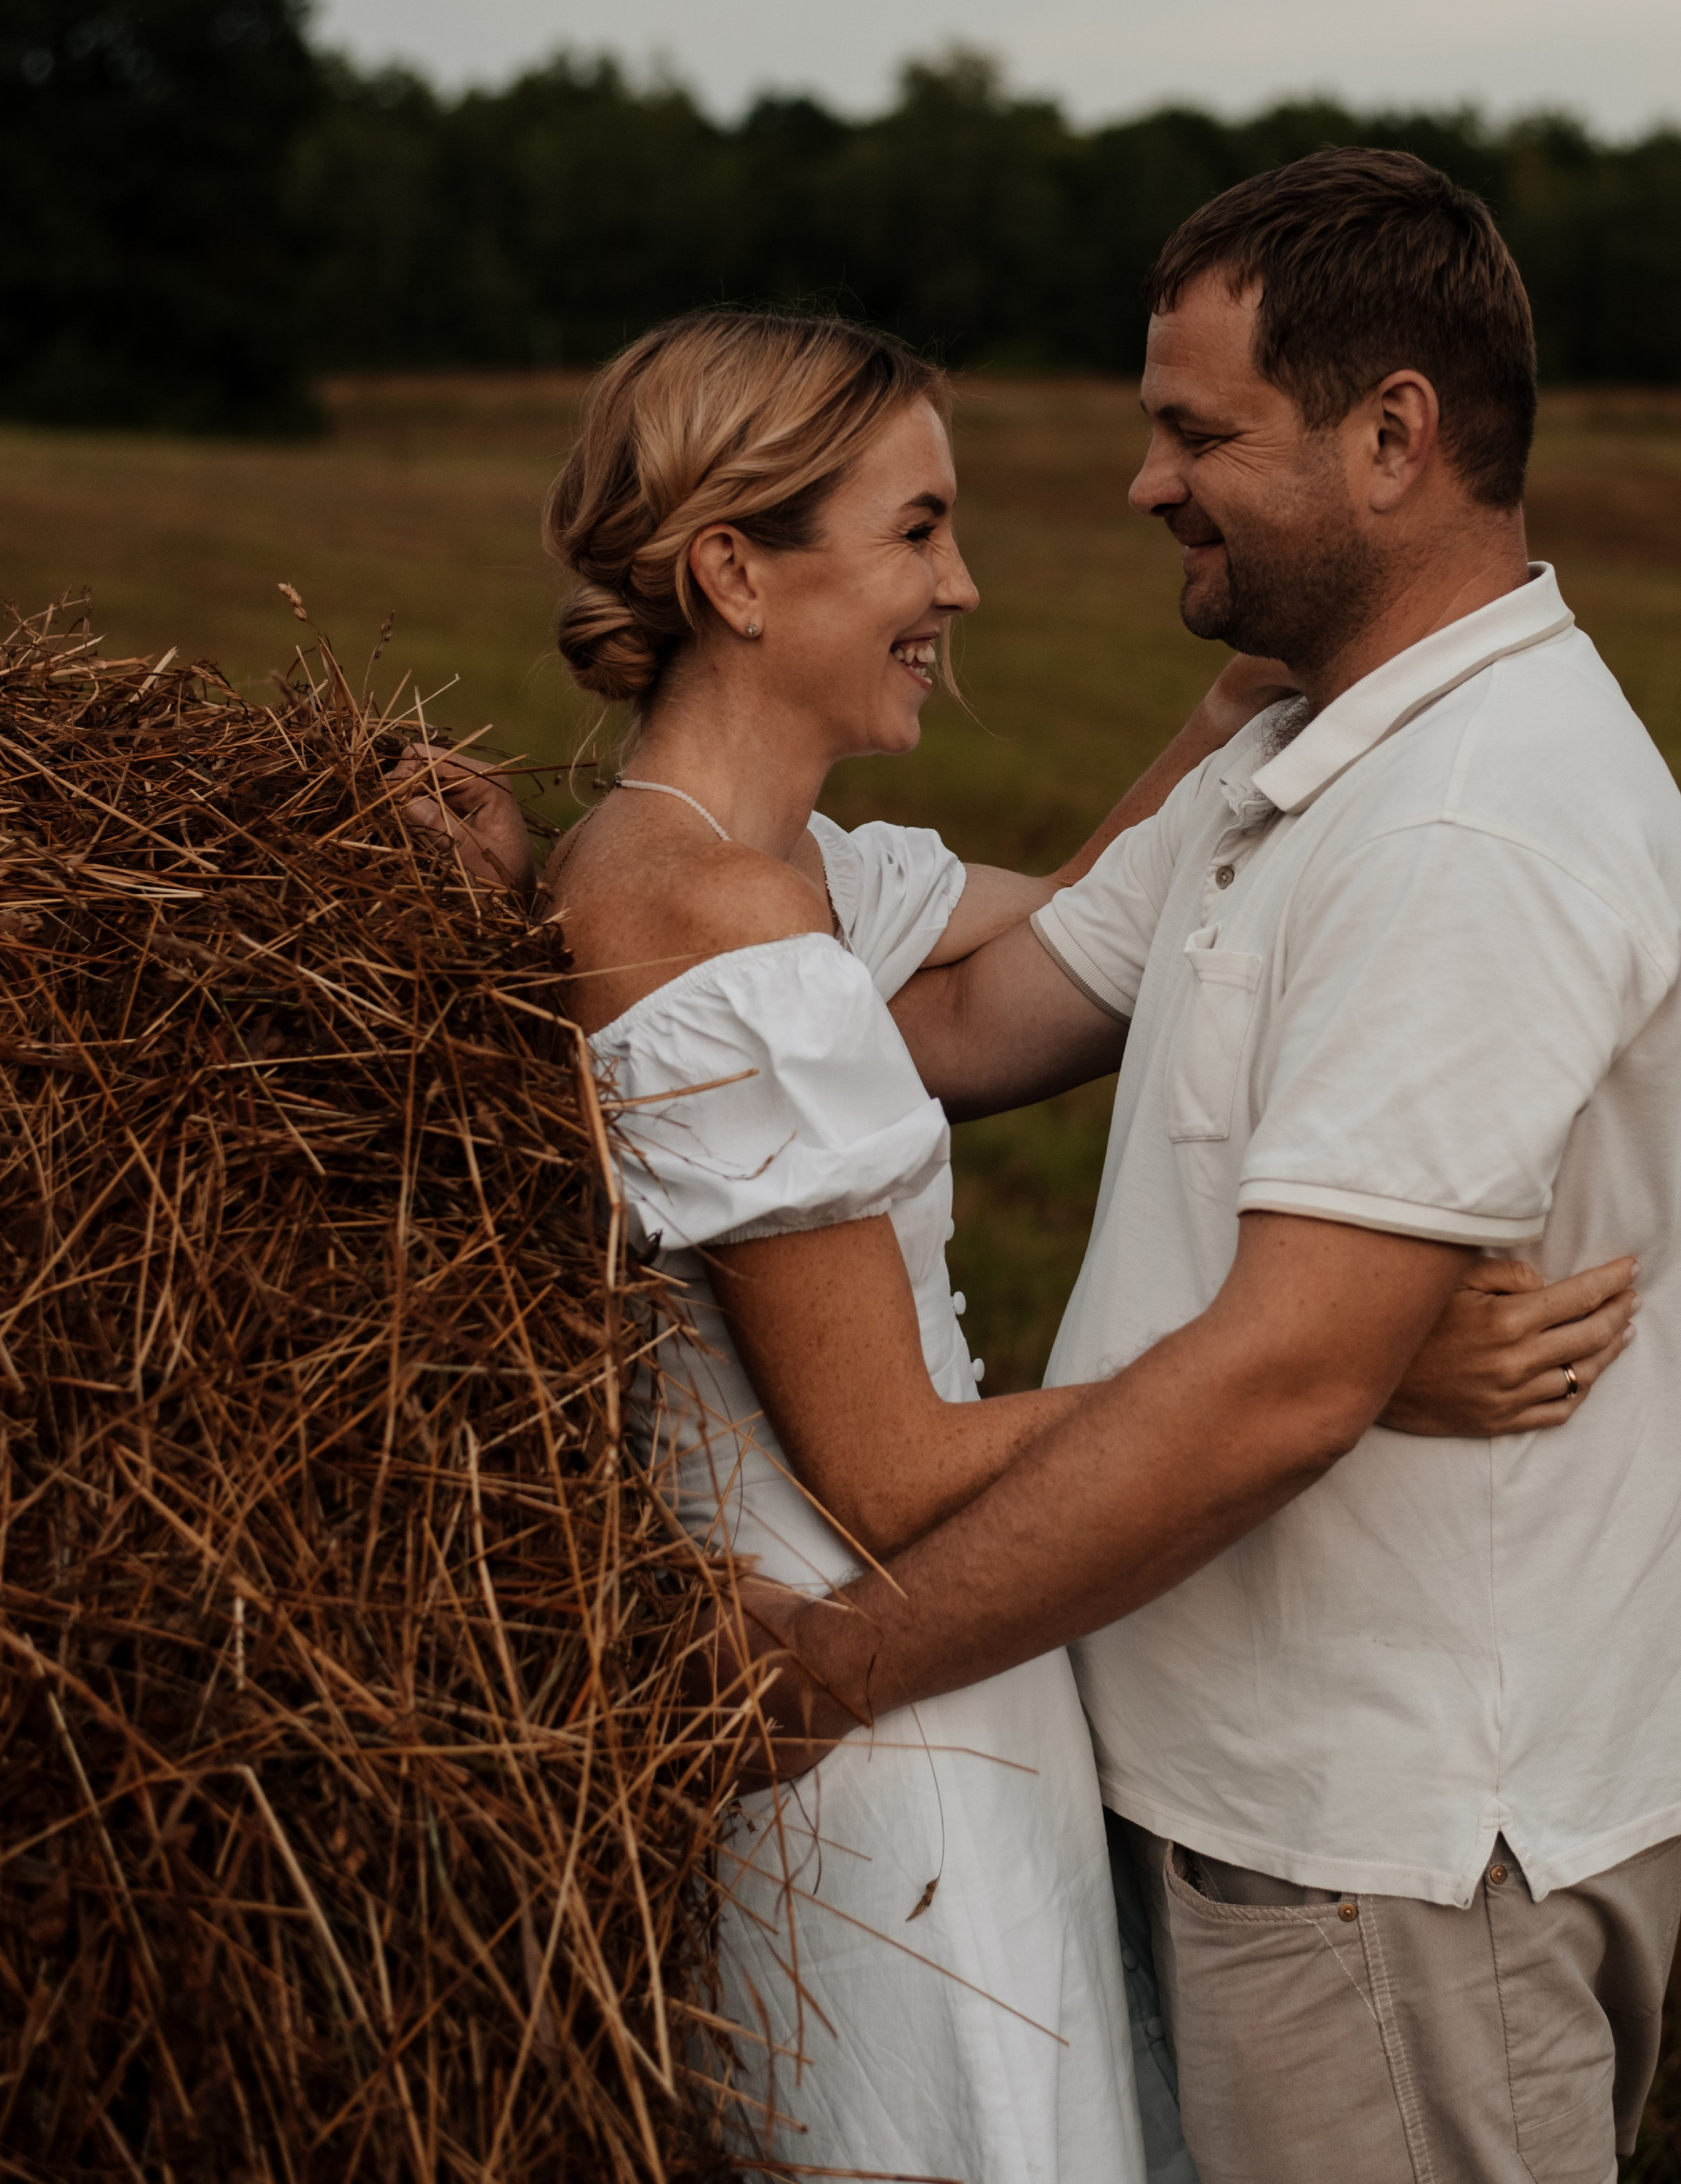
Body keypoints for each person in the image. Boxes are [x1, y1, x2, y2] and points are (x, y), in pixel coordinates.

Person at [409, 301, 1638, 2183]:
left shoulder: (782, 883)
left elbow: (1096, 927)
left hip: (937, 1684)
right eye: (916, 531)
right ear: (735, 569)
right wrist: (1350, 1362)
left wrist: (1236, 710)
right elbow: (892, 1466)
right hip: (870, 1714)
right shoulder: (714, 925)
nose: (965, 585)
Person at [707, 159, 1681, 2184]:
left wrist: (835, 1670)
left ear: (1393, 436)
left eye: (1195, 431)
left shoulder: (1471, 826)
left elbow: (1285, 1384)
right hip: (1250, 1796)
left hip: (1391, 1847)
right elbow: (976, 1031)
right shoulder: (1295, 761)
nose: (1146, 481)